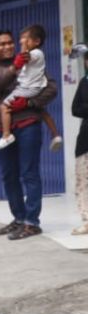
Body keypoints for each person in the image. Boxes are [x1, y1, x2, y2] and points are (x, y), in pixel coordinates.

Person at [0, 29, 59, 240]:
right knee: (9, 176)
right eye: (2, 44)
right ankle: (19, 218)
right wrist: (15, 67)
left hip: (28, 124)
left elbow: (51, 88)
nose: (8, 46)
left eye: (10, 43)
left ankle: (32, 222)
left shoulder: (32, 63)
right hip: (3, 129)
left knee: (29, 173)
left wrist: (30, 102)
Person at [0, 24, 62, 151]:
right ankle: (55, 134)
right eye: (21, 39)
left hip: (29, 92)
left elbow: (26, 56)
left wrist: (28, 102)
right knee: (42, 111)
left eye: (25, 39)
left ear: (37, 41)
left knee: (4, 106)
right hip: (36, 86)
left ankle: (6, 135)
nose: (21, 41)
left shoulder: (35, 53)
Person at [70, 44, 88, 235]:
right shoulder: (84, 82)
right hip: (85, 140)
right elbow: (75, 109)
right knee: (83, 182)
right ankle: (87, 220)